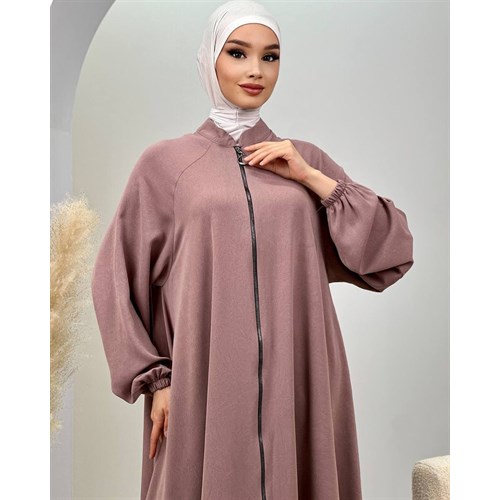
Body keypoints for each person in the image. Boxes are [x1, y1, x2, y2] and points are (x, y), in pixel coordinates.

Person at [91, 1, 414, 499]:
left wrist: (310, 177)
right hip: (204, 381)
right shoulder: (166, 165)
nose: (256, 70)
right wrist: (155, 380)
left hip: (299, 378)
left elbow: (389, 250)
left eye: (270, 56)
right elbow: (114, 279)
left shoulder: (303, 159)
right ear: (210, 59)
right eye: (238, 53)